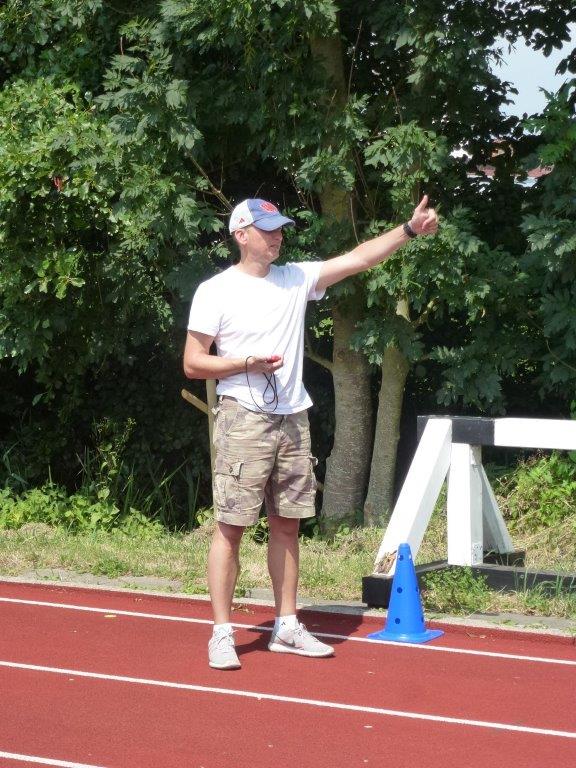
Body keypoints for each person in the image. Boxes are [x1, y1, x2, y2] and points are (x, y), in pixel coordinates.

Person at [183, 196, 438, 670]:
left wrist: (408, 229)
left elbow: (359, 258)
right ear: (241, 234)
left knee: (288, 524)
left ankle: (286, 626)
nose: (277, 236)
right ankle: (221, 633)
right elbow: (193, 363)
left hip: (293, 418)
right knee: (231, 527)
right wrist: (246, 364)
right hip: (242, 416)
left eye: (280, 228)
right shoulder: (215, 290)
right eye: (268, 229)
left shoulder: (295, 277)